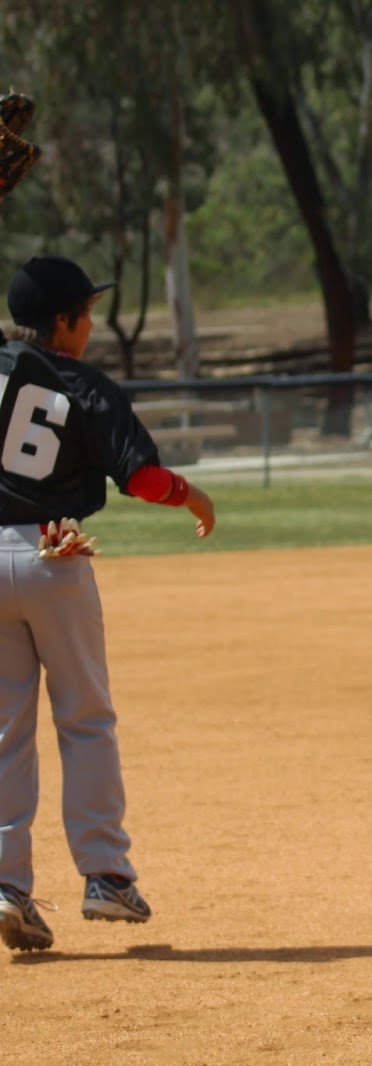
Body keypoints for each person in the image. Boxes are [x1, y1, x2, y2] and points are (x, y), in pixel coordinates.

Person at [0, 256, 217, 953]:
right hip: (54, 554)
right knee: (85, 719)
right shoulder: (82, 383)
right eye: (85, 314)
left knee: (4, 734)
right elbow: (143, 477)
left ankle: (5, 888)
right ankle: (106, 877)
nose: (90, 325)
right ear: (61, 323)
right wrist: (192, 495)